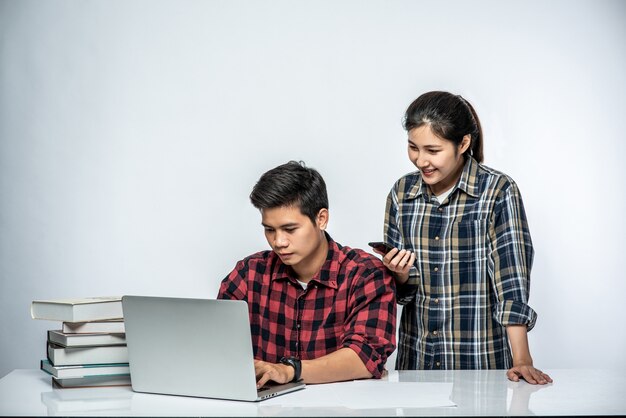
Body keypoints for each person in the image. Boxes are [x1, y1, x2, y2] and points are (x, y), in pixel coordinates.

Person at [377, 91, 552, 385]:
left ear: (463, 143)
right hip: (416, 364)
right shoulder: (402, 193)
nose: (421, 161)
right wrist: (400, 275)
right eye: (413, 148)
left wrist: (522, 359)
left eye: (433, 150)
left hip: (481, 364)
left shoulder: (497, 190)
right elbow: (399, 292)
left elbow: (510, 280)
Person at [218, 161, 396, 388]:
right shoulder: (248, 274)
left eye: (290, 229)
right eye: (269, 230)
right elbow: (218, 350)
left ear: (321, 219)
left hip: (340, 409)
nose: (279, 242)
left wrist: (289, 371)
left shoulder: (365, 274)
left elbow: (365, 358)